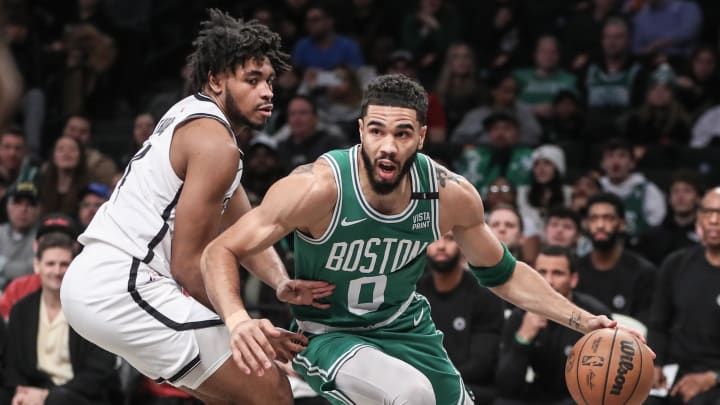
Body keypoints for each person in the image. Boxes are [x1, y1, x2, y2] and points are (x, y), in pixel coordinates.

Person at [201, 74, 637, 405]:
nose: (387, 146)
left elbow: (504, 275)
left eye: (402, 133)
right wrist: (240, 319)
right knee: (411, 395)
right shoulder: (317, 188)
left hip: (406, 329)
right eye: (376, 131)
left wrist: (583, 321)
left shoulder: (450, 195)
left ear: (422, 136)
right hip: (328, 332)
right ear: (360, 130)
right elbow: (221, 249)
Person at [59, 10, 333, 404]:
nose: (268, 92)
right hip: (124, 284)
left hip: (106, 282)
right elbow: (189, 264)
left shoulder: (198, 120)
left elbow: (245, 227)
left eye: (270, 81)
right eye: (252, 80)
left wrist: (280, 283)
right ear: (216, 79)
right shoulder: (215, 144)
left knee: (235, 394)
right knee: (270, 388)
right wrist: (239, 320)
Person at [0, 232, 120, 405]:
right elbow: (12, 365)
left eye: (64, 264)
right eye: (50, 264)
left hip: (80, 396)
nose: (57, 271)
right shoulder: (21, 310)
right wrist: (24, 392)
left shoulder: (92, 309)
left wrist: (47, 397)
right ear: (37, 266)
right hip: (33, 391)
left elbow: (100, 369)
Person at [496, 245, 612, 405]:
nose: (548, 281)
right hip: (538, 395)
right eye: (541, 273)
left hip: (578, 399)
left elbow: (602, 385)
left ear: (573, 279)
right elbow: (506, 387)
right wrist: (523, 339)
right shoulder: (520, 316)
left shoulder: (594, 315)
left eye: (557, 273)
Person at [646, 187, 720, 405]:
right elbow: (658, 323)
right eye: (707, 212)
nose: (714, 220)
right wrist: (655, 364)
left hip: (714, 377)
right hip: (673, 372)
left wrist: (713, 377)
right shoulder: (675, 264)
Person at [416, 231, 505, 404]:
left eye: (449, 238)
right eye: (434, 238)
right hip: (421, 383)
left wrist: (437, 379)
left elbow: (482, 363)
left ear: (463, 245)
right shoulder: (413, 293)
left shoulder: (485, 296)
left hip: (469, 385)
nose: (441, 246)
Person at [575, 193, 657, 323]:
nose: (600, 225)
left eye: (608, 218)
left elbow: (645, 326)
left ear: (621, 223)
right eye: (594, 218)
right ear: (586, 224)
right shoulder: (576, 269)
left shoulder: (643, 272)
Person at [0, 181, 40, 289]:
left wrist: (2, 265)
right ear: (7, 206)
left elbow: (33, 269)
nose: (23, 209)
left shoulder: (42, 238)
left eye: (30, 204)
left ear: (38, 210)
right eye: (17, 202)